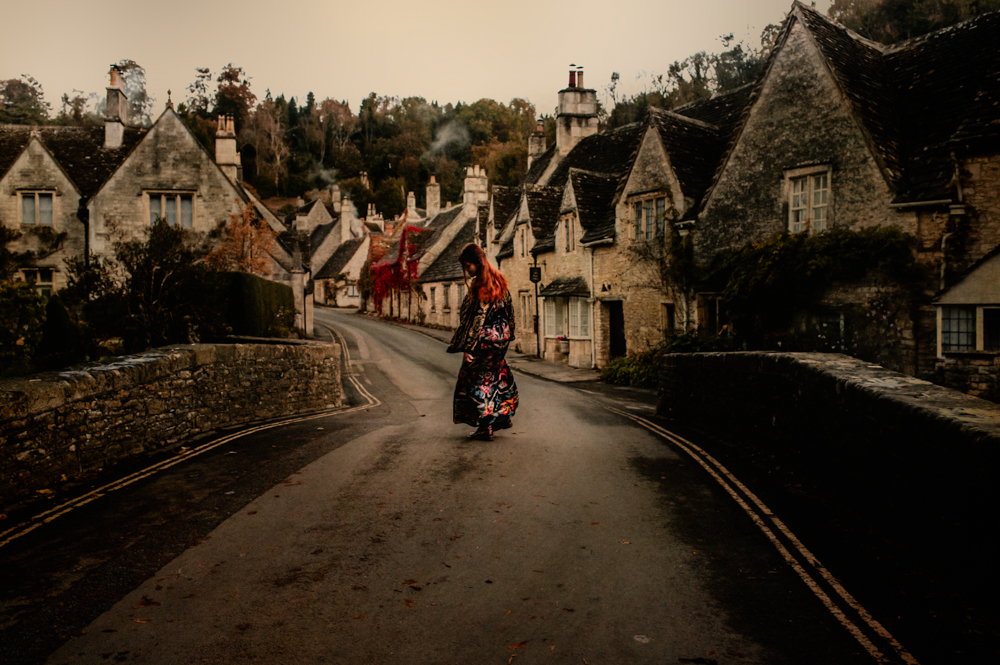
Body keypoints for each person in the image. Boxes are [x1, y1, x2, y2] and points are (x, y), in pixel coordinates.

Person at [447, 243, 519, 440]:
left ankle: (486, 426)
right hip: (500, 341)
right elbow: (510, 312)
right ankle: (503, 417)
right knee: (496, 378)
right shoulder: (499, 280)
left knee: (475, 383)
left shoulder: (481, 285)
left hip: (483, 342)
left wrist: (468, 348)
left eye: (468, 266)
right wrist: (507, 336)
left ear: (478, 263)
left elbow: (477, 319)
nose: (466, 270)